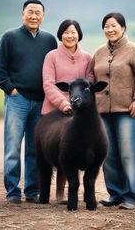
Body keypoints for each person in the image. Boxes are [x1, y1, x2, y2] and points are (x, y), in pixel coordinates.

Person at [0, 0, 57, 204]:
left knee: (35, 149)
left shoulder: (49, 40)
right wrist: (10, 89)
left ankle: (32, 191)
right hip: (17, 99)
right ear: (22, 13)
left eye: (38, 12)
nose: (34, 16)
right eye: (30, 12)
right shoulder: (9, 36)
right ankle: (12, 191)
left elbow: (53, 68)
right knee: (12, 147)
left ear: (43, 16)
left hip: (41, 102)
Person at [92, 12, 135, 210]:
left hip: (128, 110)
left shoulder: (134, 50)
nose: (110, 29)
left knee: (128, 153)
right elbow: (92, 80)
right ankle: (115, 194)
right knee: (108, 154)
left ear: (123, 28)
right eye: (106, 26)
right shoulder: (99, 52)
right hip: (102, 111)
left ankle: (132, 196)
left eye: (114, 25)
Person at [41, 19, 94, 202]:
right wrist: (64, 103)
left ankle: (65, 193)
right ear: (60, 35)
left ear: (79, 34)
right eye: (66, 32)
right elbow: (48, 84)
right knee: (54, 151)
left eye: (73, 32)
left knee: (73, 151)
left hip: (79, 115)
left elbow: (89, 83)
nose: (70, 35)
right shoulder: (52, 56)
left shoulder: (87, 58)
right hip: (54, 112)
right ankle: (45, 192)